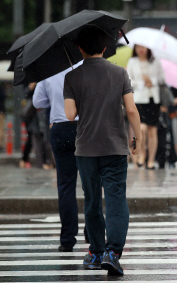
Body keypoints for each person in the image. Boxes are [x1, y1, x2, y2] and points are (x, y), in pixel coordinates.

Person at [64, 26, 142, 275]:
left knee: (92, 201)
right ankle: (113, 252)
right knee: (117, 200)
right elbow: (130, 110)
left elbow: (69, 114)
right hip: (115, 147)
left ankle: (96, 252)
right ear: (105, 48)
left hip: (86, 149)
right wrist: (137, 137)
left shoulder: (71, 77)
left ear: (80, 48)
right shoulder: (120, 73)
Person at [33, 59, 86, 252]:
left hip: (61, 128)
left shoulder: (48, 69)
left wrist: (54, 99)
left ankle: (67, 239)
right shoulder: (83, 65)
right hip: (85, 127)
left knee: (65, 185)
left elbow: (37, 101)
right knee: (91, 183)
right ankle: (92, 232)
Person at [126, 45, 164, 169]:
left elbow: (162, 78)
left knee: (153, 131)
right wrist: (142, 83)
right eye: (138, 47)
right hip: (139, 99)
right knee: (141, 128)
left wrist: (151, 81)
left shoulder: (155, 61)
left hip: (153, 99)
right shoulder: (132, 61)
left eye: (143, 47)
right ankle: (142, 153)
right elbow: (129, 80)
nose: (141, 50)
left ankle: (151, 160)